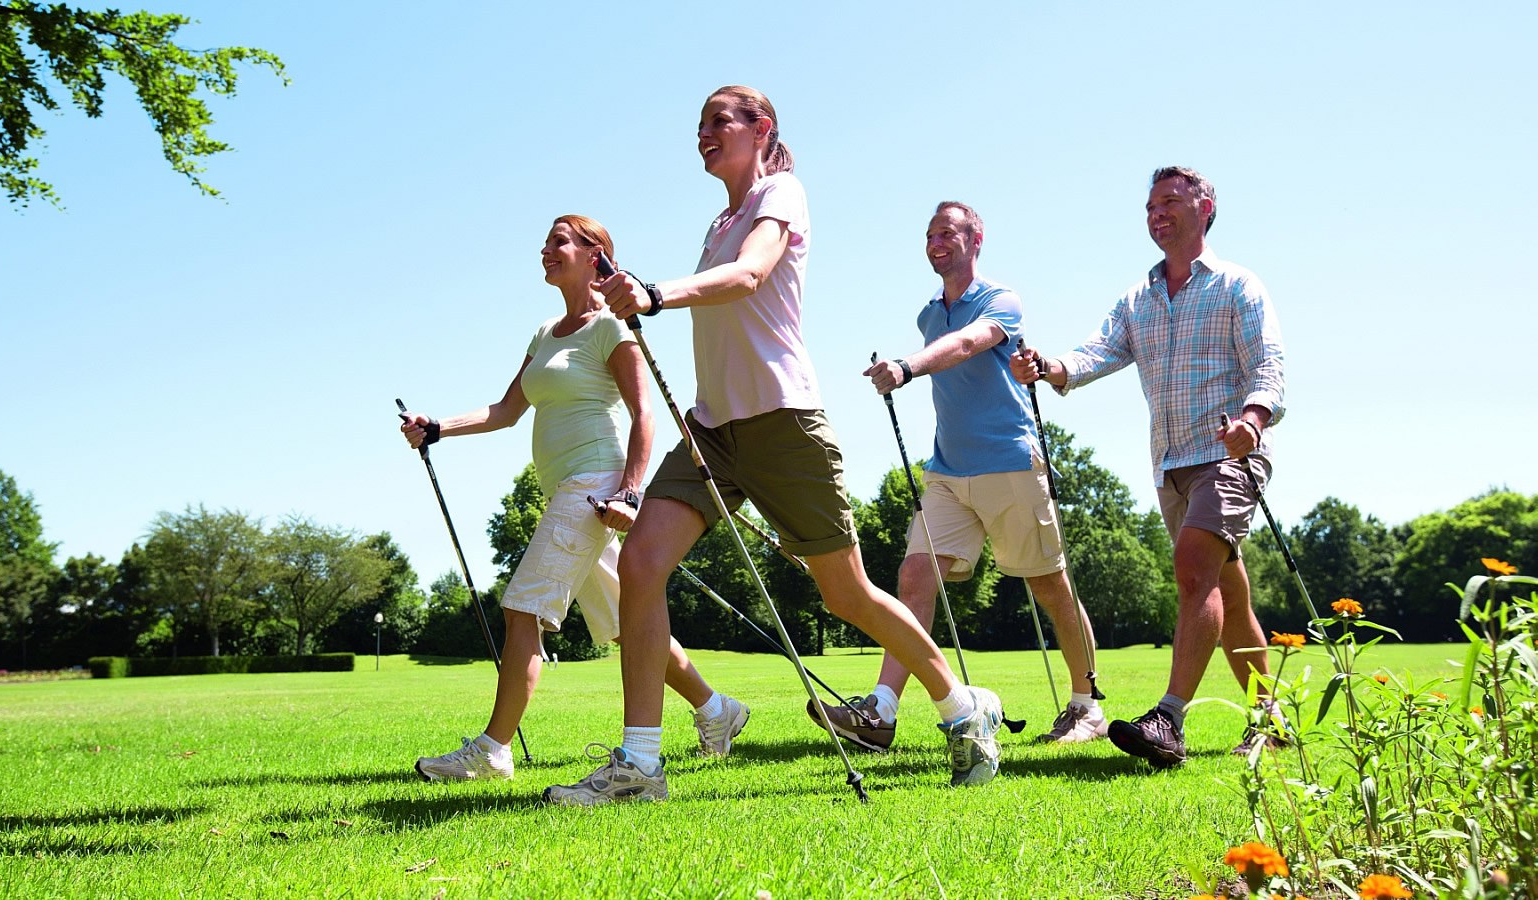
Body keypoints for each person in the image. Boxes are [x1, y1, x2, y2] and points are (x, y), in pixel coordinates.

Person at [543, 86, 1003, 807]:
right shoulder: (717, 221)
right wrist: (642, 297)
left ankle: (960, 707)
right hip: (713, 432)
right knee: (640, 562)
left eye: (718, 121)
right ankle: (639, 765)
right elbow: (718, 284)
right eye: (697, 124)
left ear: (762, 130)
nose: (704, 133)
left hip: (782, 422)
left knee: (844, 592)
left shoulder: (780, 192)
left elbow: (752, 273)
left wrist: (659, 294)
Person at [400, 214, 748, 782]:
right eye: (545, 242)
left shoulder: (611, 326)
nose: (546, 250)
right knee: (625, 622)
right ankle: (717, 710)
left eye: (560, 241)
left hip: (595, 485)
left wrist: (632, 493)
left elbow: (645, 416)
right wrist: (438, 425)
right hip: (567, 489)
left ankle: (492, 749)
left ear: (596, 256)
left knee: (523, 609)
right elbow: (506, 411)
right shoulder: (544, 333)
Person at [1011, 166, 1286, 769]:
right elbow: (1100, 350)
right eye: (1149, 205)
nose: (1156, 213)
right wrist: (1052, 366)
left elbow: (1268, 368)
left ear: (1204, 206)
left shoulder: (1238, 285)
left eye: (1170, 201)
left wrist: (1252, 422)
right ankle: (1271, 719)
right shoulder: (1139, 298)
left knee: (1192, 569)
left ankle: (1169, 718)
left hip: (1228, 454)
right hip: (1169, 464)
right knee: (1226, 595)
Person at [808, 201, 1105, 751]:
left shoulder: (1000, 300)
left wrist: (907, 366)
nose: (936, 242)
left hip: (1010, 463)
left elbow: (969, 343)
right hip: (947, 472)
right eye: (929, 235)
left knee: (1048, 586)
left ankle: (1087, 706)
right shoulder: (928, 315)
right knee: (915, 577)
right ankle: (881, 712)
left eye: (947, 232)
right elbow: (947, 341)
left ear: (976, 239)